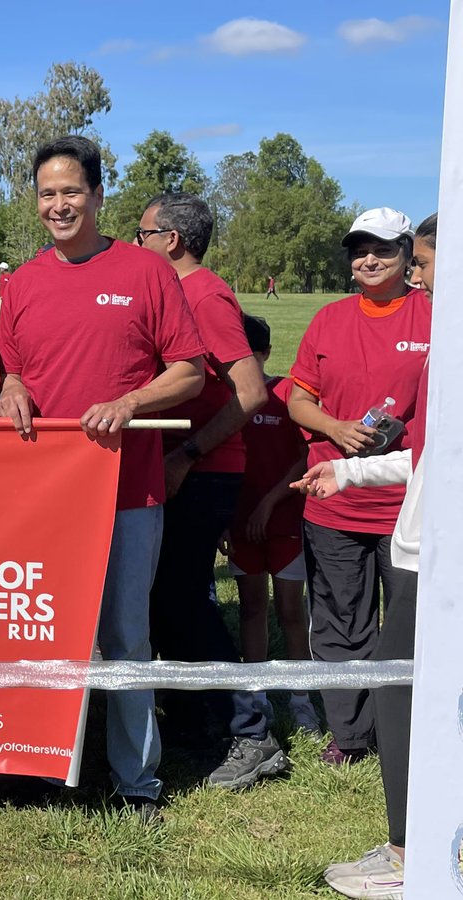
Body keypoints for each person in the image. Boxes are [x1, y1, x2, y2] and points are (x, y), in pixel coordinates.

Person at [0, 137, 205, 819]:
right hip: (43, 498)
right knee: (40, 636)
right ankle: (38, 763)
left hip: (128, 494)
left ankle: (136, 782)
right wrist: (13, 388)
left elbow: (190, 372)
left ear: (97, 195)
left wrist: (129, 402)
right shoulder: (21, 284)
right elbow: (14, 367)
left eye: (71, 192)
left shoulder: (146, 271)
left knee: (124, 637)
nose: (59, 204)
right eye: (48, 193)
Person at [297, 213, 436, 900]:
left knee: (403, 647)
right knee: (341, 624)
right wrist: (336, 433)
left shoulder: (439, 316)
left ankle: (409, 758)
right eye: (358, 251)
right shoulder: (326, 321)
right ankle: (351, 735)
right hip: (336, 499)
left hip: (411, 513)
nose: (369, 261)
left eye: (382, 250)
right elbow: (298, 397)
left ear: (409, 256)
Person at [135, 192, 282, 790]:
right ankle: (199, 721)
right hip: (178, 466)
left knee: (185, 600)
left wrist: (188, 455)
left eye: (141, 232)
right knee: (168, 598)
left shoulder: (205, 294)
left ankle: (252, 734)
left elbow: (252, 392)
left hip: (203, 470)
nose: (134, 243)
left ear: (171, 239)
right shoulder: (174, 292)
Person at [225, 314, 320, 735]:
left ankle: (301, 700)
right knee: (251, 607)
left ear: (264, 354)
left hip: (283, 521)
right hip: (242, 523)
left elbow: (305, 458)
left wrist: (269, 502)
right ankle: (256, 692)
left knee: (289, 610)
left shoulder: (285, 395)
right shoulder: (227, 403)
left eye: (250, 355)